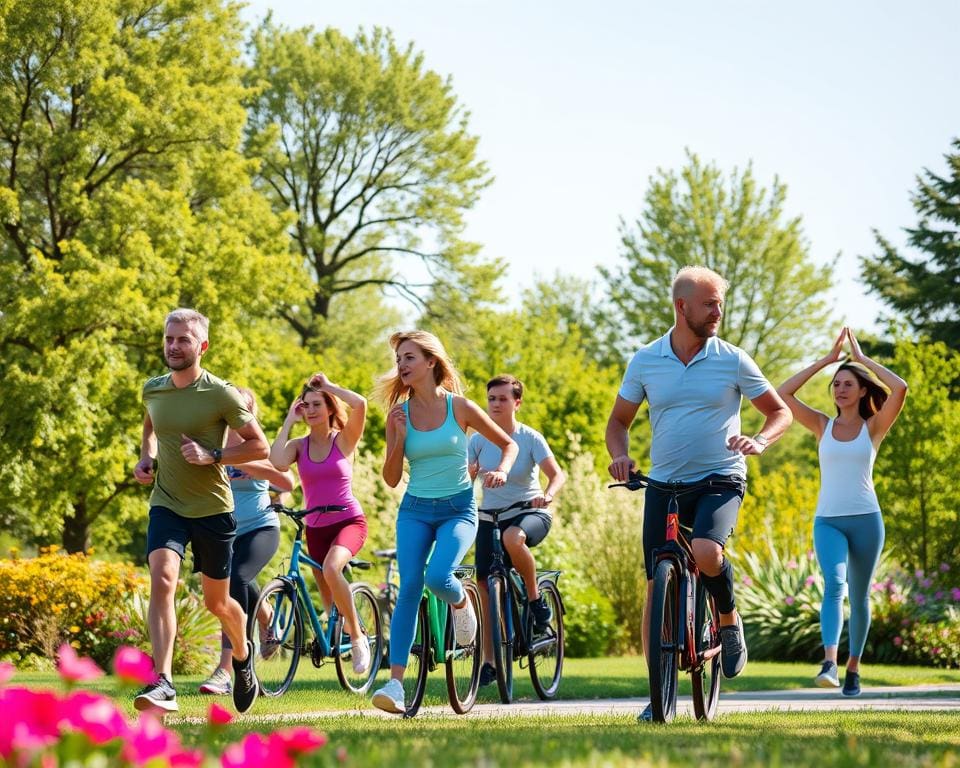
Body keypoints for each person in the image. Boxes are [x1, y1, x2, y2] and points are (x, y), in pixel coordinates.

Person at [605, 266, 792, 722]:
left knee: (707, 550)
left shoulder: (733, 359)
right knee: (656, 585)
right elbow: (618, 424)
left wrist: (761, 440)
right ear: (681, 306)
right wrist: (621, 457)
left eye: (720, 303)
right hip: (664, 485)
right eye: (709, 303)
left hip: (721, 478)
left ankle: (727, 619)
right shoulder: (646, 360)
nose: (718, 311)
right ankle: (658, 696)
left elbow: (779, 411)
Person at [370, 331, 519, 714]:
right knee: (409, 588)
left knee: (439, 577)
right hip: (415, 510)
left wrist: (500, 470)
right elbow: (389, 478)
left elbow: (508, 444)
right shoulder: (397, 416)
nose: (401, 365)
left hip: (458, 510)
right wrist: (399, 439)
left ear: (431, 361)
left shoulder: (461, 407)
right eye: (399, 359)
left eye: (409, 358)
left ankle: (460, 601)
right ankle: (395, 685)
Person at [132, 308, 267, 714]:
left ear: (202, 346)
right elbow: (151, 426)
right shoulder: (153, 389)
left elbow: (259, 446)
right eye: (169, 339)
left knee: (217, 604)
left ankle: (242, 657)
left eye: (183, 340)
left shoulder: (220, 393)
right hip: (167, 503)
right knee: (163, 578)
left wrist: (214, 455)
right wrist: (146, 457)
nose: (173, 346)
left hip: (212, 509)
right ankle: (164, 682)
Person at [777, 327, 907, 696]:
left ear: (863, 389)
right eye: (836, 384)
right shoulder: (822, 425)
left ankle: (854, 667)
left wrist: (862, 359)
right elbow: (783, 393)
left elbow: (899, 389)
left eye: (848, 383)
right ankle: (830, 662)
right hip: (828, 521)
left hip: (867, 520)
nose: (840, 389)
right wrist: (826, 361)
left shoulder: (874, 426)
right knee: (835, 585)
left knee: (861, 595)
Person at [270, 373, 373, 675]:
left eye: (318, 404)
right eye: (306, 405)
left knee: (331, 569)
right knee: (330, 607)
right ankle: (338, 633)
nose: (311, 410)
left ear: (329, 408)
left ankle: (358, 638)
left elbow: (361, 404)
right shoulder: (299, 446)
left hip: (348, 521)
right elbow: (276, 461)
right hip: (315, 527)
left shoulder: (343, 440)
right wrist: (289, 420)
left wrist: (327, 386)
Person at [468, 374, 566, 687]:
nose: (495, 404)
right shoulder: (478, 440)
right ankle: (490, 660)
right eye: (491, 399)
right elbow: (467, 477)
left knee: (514, 538)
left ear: (517, 403)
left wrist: (548, 495)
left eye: (503, 399)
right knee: (483, 585)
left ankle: (535, 600)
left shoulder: (530, 437)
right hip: (490, 517)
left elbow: (556, 474)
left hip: (529, 512)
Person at [198, 387, 295, 696]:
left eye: (243, 408)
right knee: (226, 586)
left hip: (261, 527)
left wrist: (241, 464)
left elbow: (287, 482)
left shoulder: (260, 446)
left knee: (237, 578)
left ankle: (227, 668)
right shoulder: (211, 443)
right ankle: (267, 616)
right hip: (224, 531)